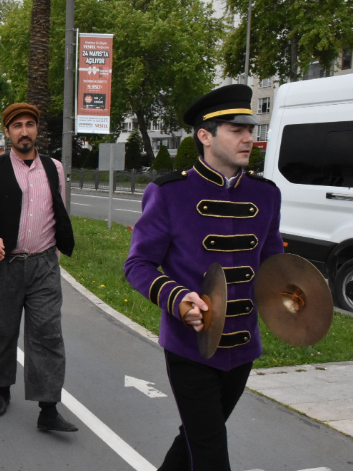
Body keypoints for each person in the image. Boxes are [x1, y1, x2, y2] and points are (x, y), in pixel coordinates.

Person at [124, 84, 283, 471]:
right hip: (189, 348)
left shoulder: (266, 195)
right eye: (236, 129)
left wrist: (293, 293)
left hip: (242, 349)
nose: (249, 138)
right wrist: (177, 299)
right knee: (211, 455)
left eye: (250, 128)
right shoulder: (169, 193)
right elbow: (138, 265)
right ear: (205, 136)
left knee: (195, 440)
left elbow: (273, 263)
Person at [0, 102, 77, 432]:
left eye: (30, 124)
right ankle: (2, 392)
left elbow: (58, 208)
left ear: (36, 130)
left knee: (47, 333)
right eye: (18, 126)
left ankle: (48, 408)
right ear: (8, 132)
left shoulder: (53, 168)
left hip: (43, 264)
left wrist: (54, 252)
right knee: (1, 329)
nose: (25, 131)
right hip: (5, 264)